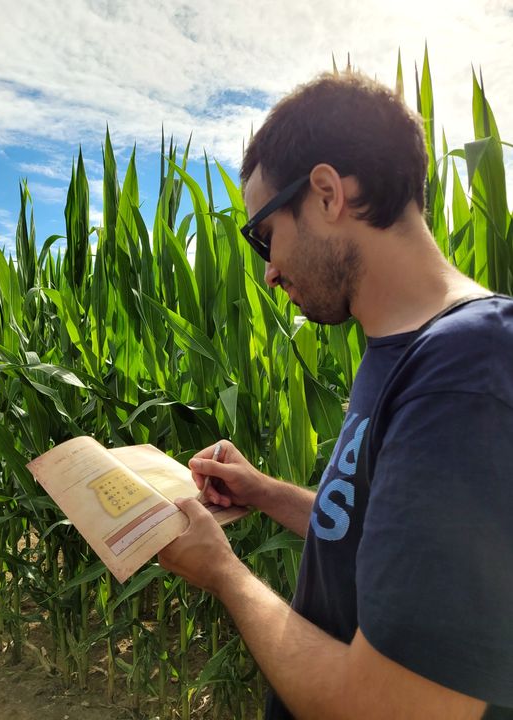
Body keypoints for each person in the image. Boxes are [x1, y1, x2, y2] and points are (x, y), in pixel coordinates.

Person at [158, 72, 513, 719]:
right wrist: (263, 490)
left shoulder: (466, 374)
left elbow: (392, 706)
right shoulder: (406, 350)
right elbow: (381, 529)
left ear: (325, 194)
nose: (266, 272)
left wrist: (223, 573)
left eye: (263, 235)